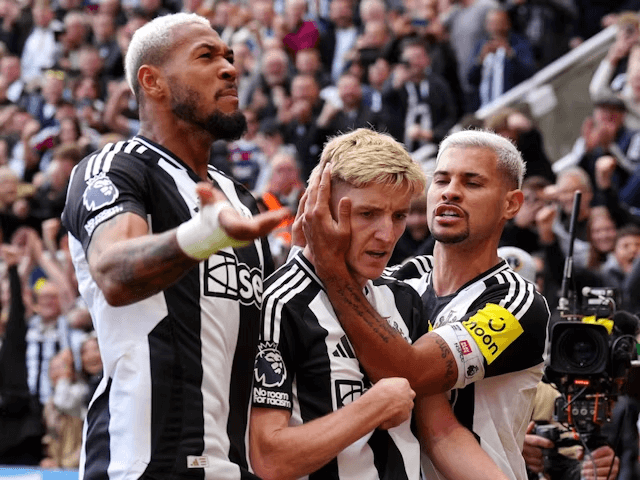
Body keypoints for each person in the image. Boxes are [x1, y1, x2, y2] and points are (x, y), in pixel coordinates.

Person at [61, 13, 288, 480]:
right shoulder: (116, 167)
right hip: (144, 464)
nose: (230, 68)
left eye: (229, 57)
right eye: (206, 57)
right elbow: (113, 273)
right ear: (153, 81)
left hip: (233, 466)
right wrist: (203, 236)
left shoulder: (240, 200)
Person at [250, 128, 510, 480]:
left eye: (399, 216)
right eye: (368, 214)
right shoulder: (277, 303)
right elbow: (269, 459)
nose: (387, 235)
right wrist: (371, 408)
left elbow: (442, 434)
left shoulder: (403, 299)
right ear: (318, 209)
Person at [302, 129, 551, 480]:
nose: (450, 191)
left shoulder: (518, 302)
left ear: (511, 204)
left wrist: (331, 270)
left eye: (472, 183)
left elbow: (414, 374)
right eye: (442, 179)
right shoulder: (395, 279)